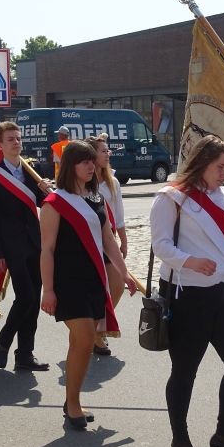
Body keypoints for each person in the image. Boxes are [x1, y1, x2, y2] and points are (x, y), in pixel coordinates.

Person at [150, 135, 224, 447]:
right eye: (220, 167)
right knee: (185, 371)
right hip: (188, 296)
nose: (223, 173)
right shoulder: (171, 197)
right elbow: (160, 245)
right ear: (201, 163)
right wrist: (190, 261)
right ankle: (180, 438)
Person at [40, 141, 136, 430]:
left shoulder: (97, 199)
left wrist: (124, 273)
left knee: (78, 344)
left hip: (95, 279)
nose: (91, 166)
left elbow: (108, 240)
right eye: (84, 161)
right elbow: (47, 250)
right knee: (84, 341)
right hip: (67, 282)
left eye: (92, 161)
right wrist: (48, 289)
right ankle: (73, 404)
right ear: (70, 166)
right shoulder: (54, 203)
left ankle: (72, 400)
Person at [0, 121, 52, 371]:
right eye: (10, 139)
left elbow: (44, 203)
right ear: (0, 145)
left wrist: (46, 191)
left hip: (35, 242)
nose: (16, 143)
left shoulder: (31, 169)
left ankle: (25, 354)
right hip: (12, 246)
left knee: (33, 302)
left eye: (18, 138)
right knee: (26, 297)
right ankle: (3, 339)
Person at [87, 135, 136, 356]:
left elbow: (119, 216)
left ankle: (99, 326)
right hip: (89, 243)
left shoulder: (112, 182)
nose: (108, 154)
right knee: (96, 289)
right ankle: (93, 333)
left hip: (108, 241)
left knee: (116, 285)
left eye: (108, 150)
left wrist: (124, 241)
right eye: (103, 151)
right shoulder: (82, 182)